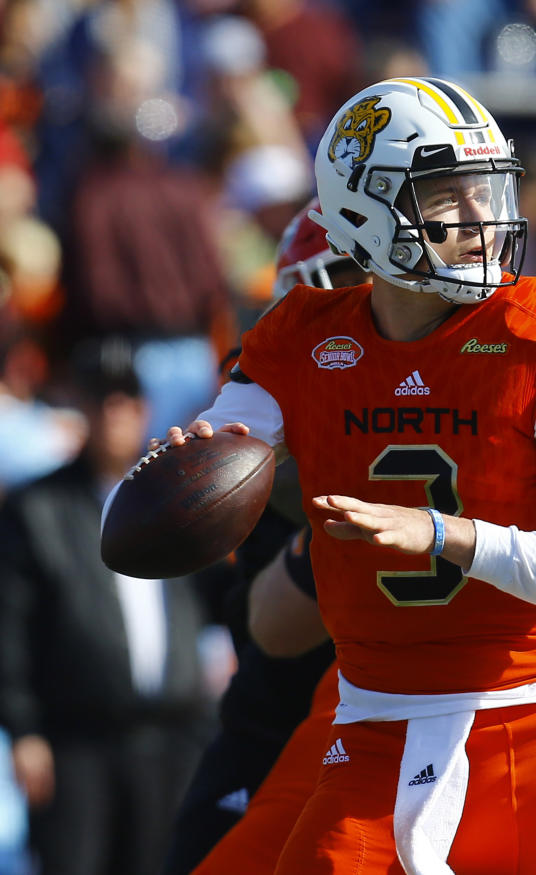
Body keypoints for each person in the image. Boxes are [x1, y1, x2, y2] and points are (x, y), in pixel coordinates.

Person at [144, 76, 536, 874]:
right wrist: (184, 472)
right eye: (448, 195)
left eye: (487, 190)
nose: (482, 221)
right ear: (362, 211)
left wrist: (443, 533)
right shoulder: (301, 336)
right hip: (373, 729)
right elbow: (214, 455)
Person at [160, 200, 366, 875]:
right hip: (284, 716)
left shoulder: (471, 374)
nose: (365, 301)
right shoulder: (268, 397)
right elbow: (273, 624)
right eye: (346, 277)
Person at [0, 337, 212, 875]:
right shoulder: (38, 507)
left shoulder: (171, 497)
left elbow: (211, 597)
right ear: (81, 408)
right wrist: (23, 730)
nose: (114, 414)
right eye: (102, 401)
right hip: (78, 740)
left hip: (171, 737)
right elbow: (11, 625)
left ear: (142, 409)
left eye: (125, 401)